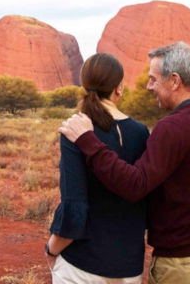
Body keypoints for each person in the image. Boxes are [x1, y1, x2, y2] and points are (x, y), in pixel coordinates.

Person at [59, 42, 190, 284]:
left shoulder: (172, 128)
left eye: (153, 79)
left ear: (174, 81)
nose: (148, 86)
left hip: (187, 264)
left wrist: (88, 141)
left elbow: (135, 185)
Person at [46, 53, 150, 283]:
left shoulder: (76, 129)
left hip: (82, 265)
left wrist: (51, 249)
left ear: (85, 85)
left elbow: (74, 204)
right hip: (128, 266)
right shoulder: (141, 132)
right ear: (119, 87)